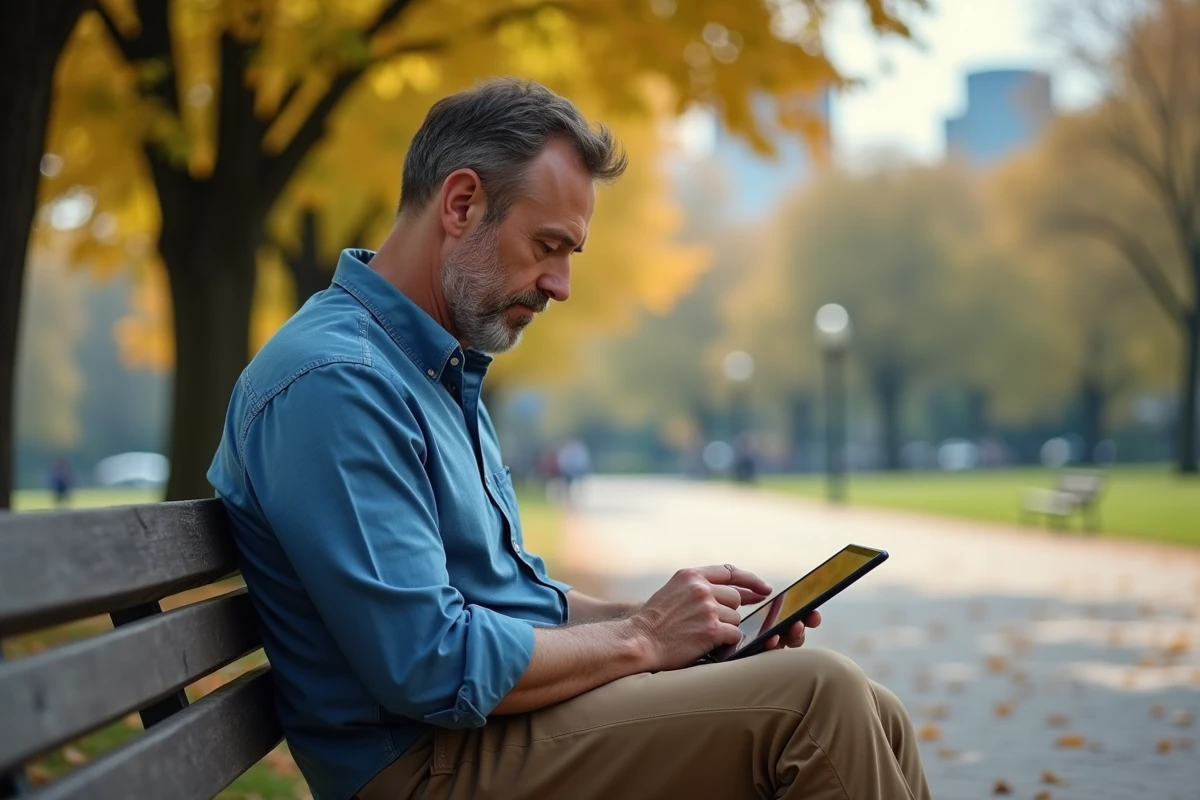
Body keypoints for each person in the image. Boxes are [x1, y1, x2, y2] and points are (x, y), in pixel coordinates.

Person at [208, 78, 929, 800]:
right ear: (461, 205)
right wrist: (642, 637)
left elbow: (511, 597)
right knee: (817, 700)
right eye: (547, 246)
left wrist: (685, 625)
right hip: (424, 766)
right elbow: (428, 662)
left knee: (876, 712)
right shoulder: (338, 383)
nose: (560, 285)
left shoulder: (426, 367)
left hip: (481, 736)